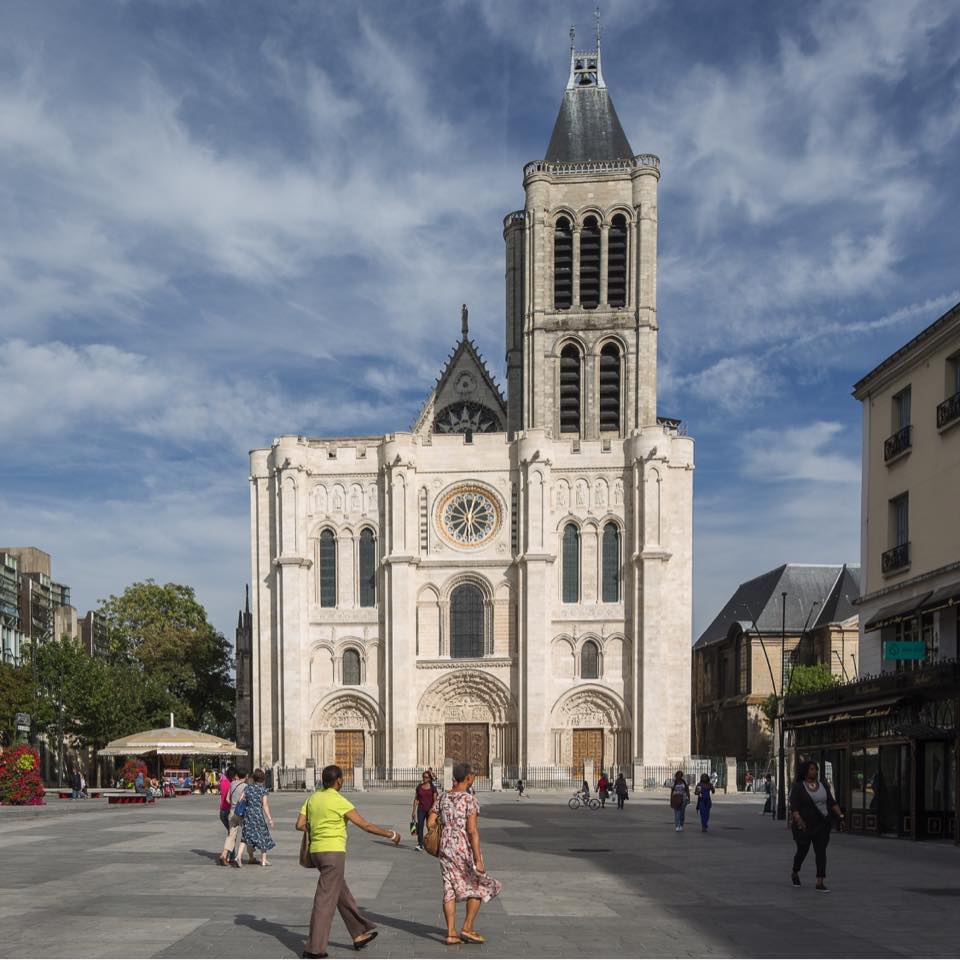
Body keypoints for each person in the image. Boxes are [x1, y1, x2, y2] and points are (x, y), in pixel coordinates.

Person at [296, 764, 399, 959]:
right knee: (324, 900)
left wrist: (318, 826)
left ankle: (359, 933)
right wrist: (391, 834)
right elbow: (365, 825)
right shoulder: (339, 800)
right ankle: (315, 948)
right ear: (339, 781)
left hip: (316, 852)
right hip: (333, 853)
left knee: (341, 893)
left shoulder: (313, 798)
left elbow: (299, 824)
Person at [427, 761, 502, 946]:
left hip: (445, 848)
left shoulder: (443, 798)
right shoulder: (469, 800)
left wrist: (447, 830)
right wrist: (478, 859)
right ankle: (467, 927)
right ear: (468, 778)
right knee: (478, 883)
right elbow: (472, 830)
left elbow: (430, 823)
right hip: (463, 848)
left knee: (449, 888)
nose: (474, 777)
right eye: (473, 775)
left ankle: (451, 933)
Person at [790, 759, 845, 891]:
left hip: (822, 824)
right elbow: (795, 807)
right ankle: (795, 871)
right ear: (805, 771)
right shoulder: (798, 787)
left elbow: (832, 803)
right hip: (804, 826)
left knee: (821, 852)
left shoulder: (823, 786)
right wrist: (799, 820)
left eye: (816, 769)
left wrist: (841, 816)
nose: (815, 772)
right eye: (812, 769)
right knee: (802, 851)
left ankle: (820, 882)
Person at [236, 769, 275, 867]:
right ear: (262, 779)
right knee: (263, 835)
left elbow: (240, 799)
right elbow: (265, 805)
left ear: (253, 778)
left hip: (248, 815)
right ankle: (263, 860)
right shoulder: (263, 790)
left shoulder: (248, 788)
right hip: (257, 815)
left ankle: (238, 856)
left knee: (245, 837)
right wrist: (270, 818)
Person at [218, 766, 243, 866]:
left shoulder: (223, 782)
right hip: (229, 810)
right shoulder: (231, 784)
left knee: (231, 833)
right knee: (232, 834)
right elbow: (230, 798)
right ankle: (227, 856)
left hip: (222, 811)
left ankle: (230, 856)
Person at [411, 770, 438, 852]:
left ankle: (432, 843)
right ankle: (420, 844)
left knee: (430, 826)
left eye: (426, 777)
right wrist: (413, 811)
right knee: (420, 826)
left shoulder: (433, 788)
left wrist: (432, 809)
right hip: (421, 809)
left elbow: (435, 800)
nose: (424, 779)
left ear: (429, 778)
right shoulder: (419, 787)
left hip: (430, 810)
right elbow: (416, 799)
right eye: (423, 777)